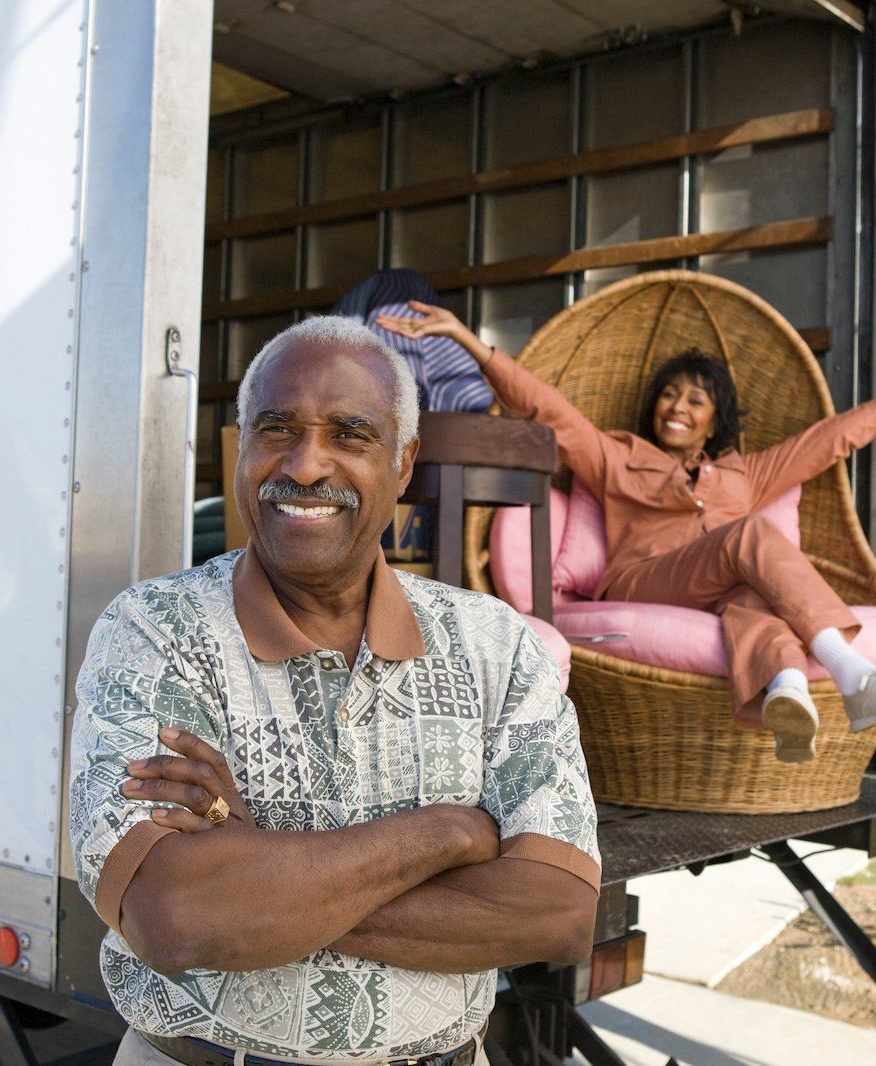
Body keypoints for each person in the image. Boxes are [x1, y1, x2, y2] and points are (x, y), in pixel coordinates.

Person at [69, 316, 599, 1066]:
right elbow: (175, 917)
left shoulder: (499, 648)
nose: (308, 465)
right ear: (243, 444)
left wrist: (259, 874)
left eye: (350, 434)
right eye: (278, 428)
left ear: (404, 462)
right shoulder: (156, 632)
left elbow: (558, 914)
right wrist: (448, 834)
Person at [377, 301, 876, 762]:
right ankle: (853, 674)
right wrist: (467, 340)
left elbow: (829, 442)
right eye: (669, 395)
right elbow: (547, 410)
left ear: (714, 419)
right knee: (749, 539)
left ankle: (790, 688)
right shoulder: (619, 457)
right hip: (645, 580)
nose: (677, 406)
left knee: (754, 595)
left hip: (719, 583)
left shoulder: (743, 473)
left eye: (695, 401)